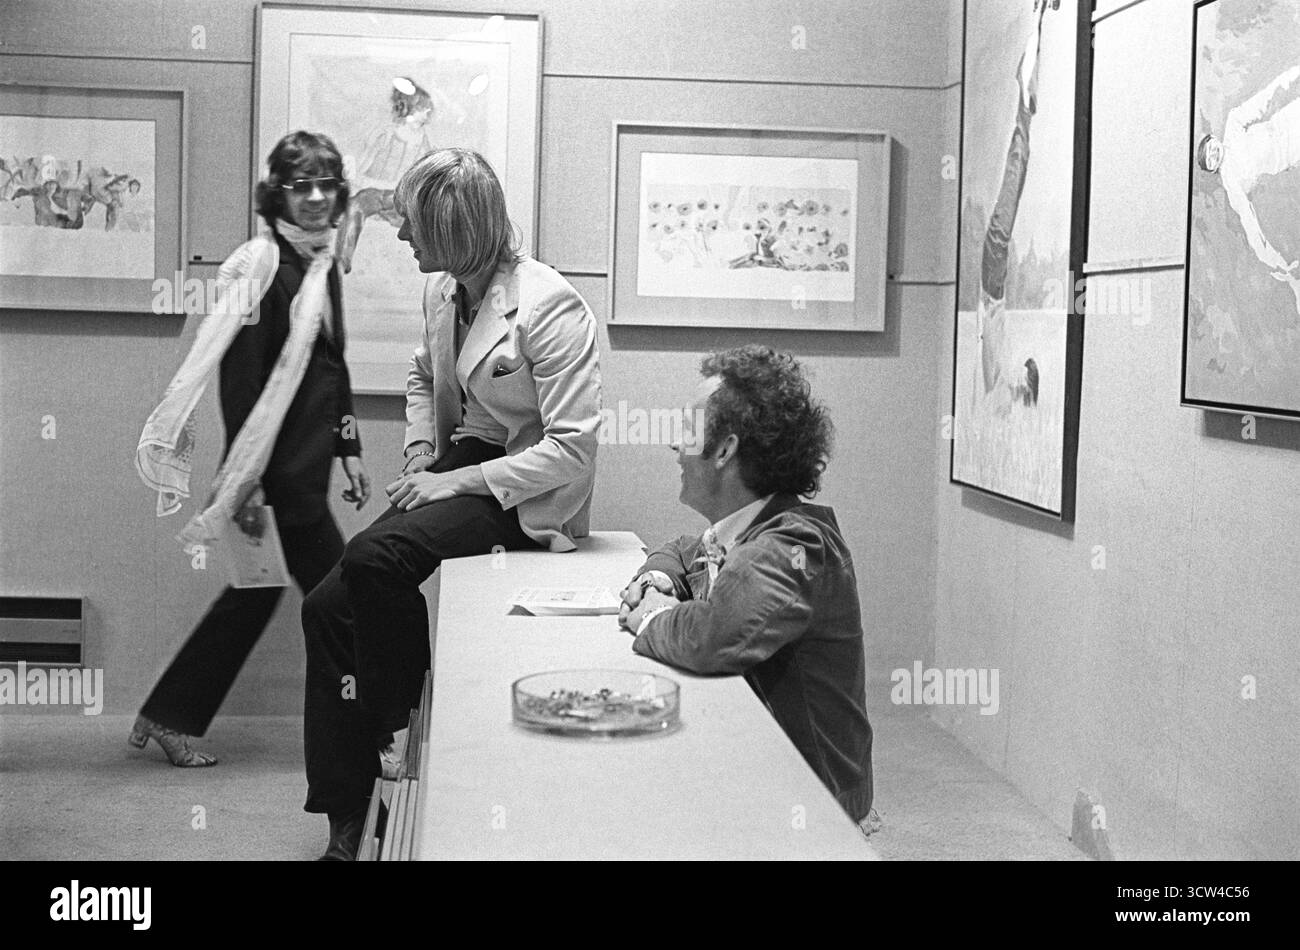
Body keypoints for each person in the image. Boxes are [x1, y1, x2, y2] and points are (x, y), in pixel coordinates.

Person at [301, 147, 602, 860]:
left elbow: (572, 450)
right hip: (462, 461)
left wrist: (448, 483)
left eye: (411, 223)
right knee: (323, 606)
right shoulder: (445, 291)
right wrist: (416, 455)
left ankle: (396, 724)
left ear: (453, 226)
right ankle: (346, 811)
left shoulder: (550, 304)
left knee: (376, 556)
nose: (401, 235)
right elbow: (419, 372)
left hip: (525, 489)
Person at [132, 131, 370, 767]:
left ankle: (165, 714)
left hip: (306, 474)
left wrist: (350, 448)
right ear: (278, 196)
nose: (317, 198)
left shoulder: (319, 266)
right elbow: (241, 387)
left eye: (327, 185)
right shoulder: (262, 271)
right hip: (274, 482)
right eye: (302, 187)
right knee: (343, 603)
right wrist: (248, 484)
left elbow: (332, 367)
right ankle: (367, 737)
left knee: (256, 594)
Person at [617, 345, 877, 835]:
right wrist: (657, 578)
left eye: (689, 430)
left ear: (724, 450)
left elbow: (718, 633)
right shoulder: (752, 527)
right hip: (765, 769)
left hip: (812, 804)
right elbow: (680, 549)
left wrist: (650, 615)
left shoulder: (794, 543)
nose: (676, 445)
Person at [971, 0, 1052, 417]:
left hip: (991, 290)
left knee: (997, 233)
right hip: (992, 289)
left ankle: (1035, 27)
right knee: (1016, 157)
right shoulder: (997, 391)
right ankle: (1035, 25)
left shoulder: (994, 392)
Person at [1196, 65, 1300, 316]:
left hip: (1288, 119)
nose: (1214, 153)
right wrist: (1274, 260)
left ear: (1214, 139)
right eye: (1210, 159)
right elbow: (1250, 224)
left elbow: (1264, 97)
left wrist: (1293, 74)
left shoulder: (1233, 125)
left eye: (1211, 147)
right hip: (1290, 153)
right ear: (1212, 169)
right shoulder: (1232, 184)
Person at [335, 76, 439, 273]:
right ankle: (342, 262)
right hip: (375, 193)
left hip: (403, 200)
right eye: (423, 108)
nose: (427, 113)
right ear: (411, 108)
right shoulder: (384, 135)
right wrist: (352, 176)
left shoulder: (426, 141)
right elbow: (360, 171)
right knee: (356, 205)